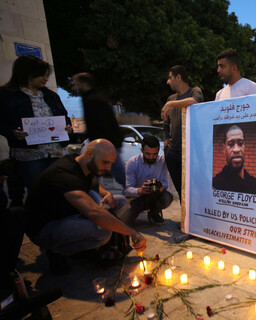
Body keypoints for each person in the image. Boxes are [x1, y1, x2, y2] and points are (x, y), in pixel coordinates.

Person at [25, 139, 146, 275]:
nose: (108, 169)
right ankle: (57, 251)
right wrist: (132, 233)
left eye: (111, 163)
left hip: (68, 213)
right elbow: (94, 213)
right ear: (89, 153)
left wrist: (107, 193)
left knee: (120, 201)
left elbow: (93, 184)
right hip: (44, 228)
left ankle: (84, 248)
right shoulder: (64, 175)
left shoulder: (81, 163)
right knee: (102, 233)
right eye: (105, 162)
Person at [0, 55, 73, 192]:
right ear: (26, 74)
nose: (45, 79)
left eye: (47, 75)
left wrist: (68, 127)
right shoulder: (6, 94)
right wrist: (13, 132)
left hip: (56, 151)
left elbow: (64, 116)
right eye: (41, 75)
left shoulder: (51, 96)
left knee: (60, 187)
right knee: (38, 189)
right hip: (29, 154)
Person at [71, 72, 126, 187]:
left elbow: (100, 124)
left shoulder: (93, 100)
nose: (74, 86)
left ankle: (131, 190)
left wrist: (99, 143)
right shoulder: (95, 97)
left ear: (84, 83)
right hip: (107, 141)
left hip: (106, 142)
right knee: (102, 168)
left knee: (111, 167)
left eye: (76, 83)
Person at [160, 66, 204, 202]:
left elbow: (196, 101)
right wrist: (166, 141)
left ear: (178, 77)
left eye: (170, 77)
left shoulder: (194, 91)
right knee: (180, 190)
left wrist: (171, 104)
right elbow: (166, 124)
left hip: (192, 153)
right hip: (173, 152)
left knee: (195, 190)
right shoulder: (171, 99)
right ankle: (184, 222)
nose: (168, 81)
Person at [124, 136, 173, 226]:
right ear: (142, 150)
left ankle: (154, 212)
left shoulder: (162, 161)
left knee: (167, 197)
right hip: (137, 197)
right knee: (126, 223)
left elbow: (165, 182)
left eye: (155, 154)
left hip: (155, 195)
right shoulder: (132, 163)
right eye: (148, 154)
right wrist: (140, 190)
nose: (151, 157)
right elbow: (127, 190)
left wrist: (160, 187)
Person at [213, 125, 256, 194]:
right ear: (224, 148)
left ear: (244, 146)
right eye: (231, 144)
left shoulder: (255, 185)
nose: (236, 149)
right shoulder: (215, 186)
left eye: (240, 143)